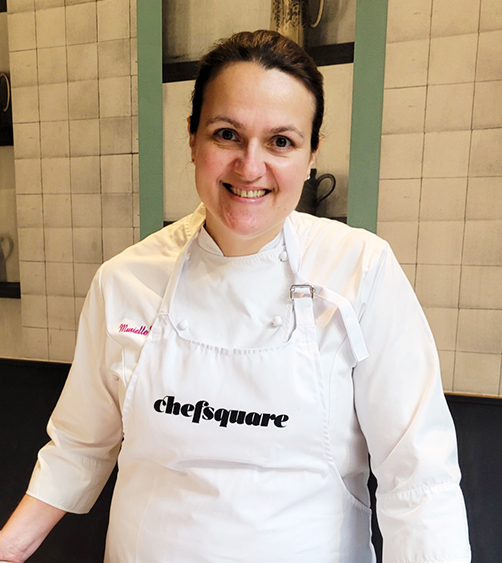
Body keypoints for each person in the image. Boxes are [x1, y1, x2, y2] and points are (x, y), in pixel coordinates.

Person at [0, 30, 470, 563]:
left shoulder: (360, 271)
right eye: (227, 134)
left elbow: (419, 480)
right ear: (193, 137)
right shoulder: (125, 280)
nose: (250, 166)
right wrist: (8, 550)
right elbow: (79, 447)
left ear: (313, 152)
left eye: (281, 141)